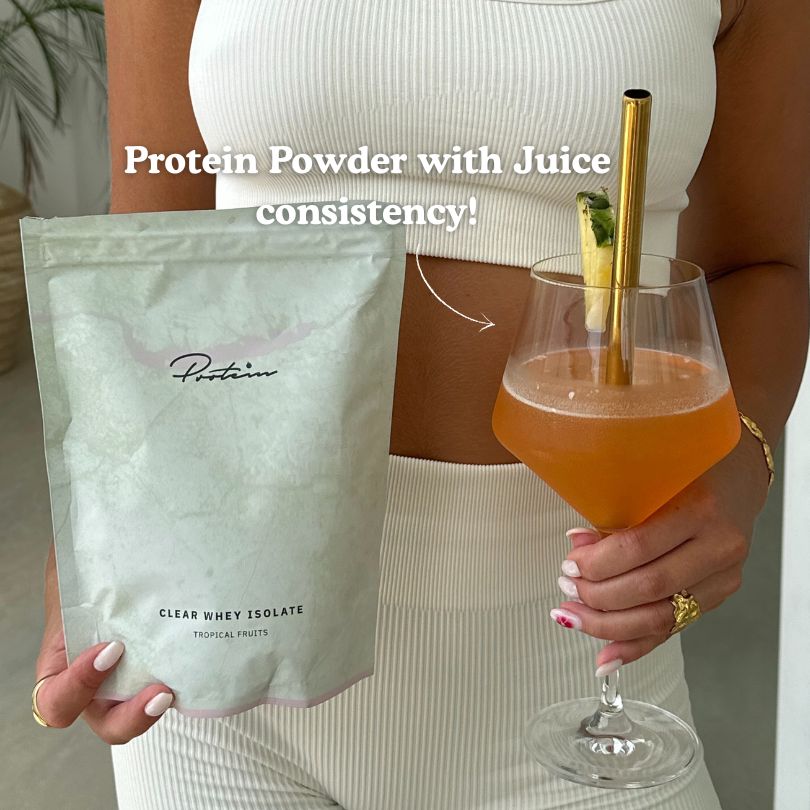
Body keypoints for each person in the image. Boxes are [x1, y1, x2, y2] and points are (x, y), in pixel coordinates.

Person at [31, 0, 810, 807]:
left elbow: (761, 265)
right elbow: (150, 247)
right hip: (218, 653)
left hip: (579, 679)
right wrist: (90, 545)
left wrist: (738, 469)